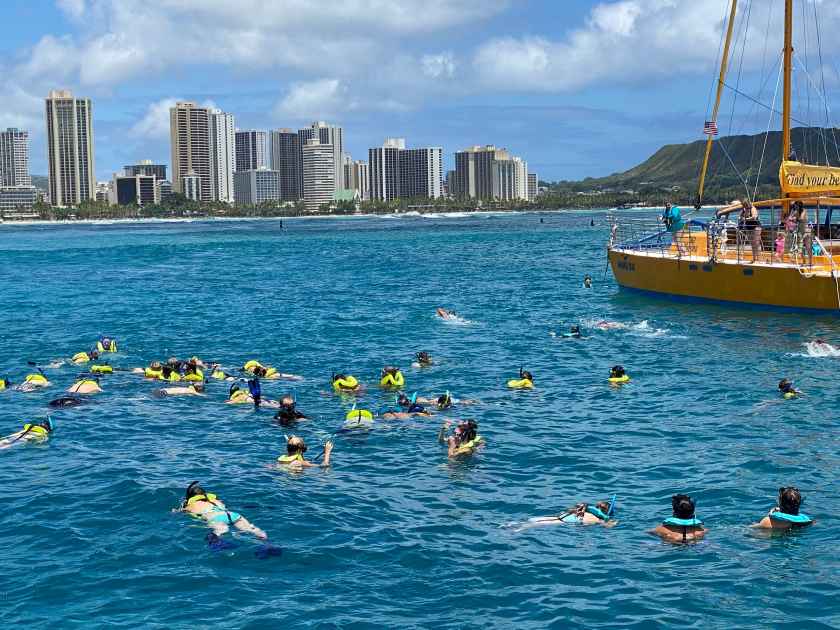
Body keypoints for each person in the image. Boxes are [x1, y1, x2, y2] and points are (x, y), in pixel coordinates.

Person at [179, 481, 267, 540]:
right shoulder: (216, 500)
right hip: (233, 515)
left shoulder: (191, 505)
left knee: (220, 533)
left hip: (216, 518)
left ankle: (219, 545)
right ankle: (267, 544)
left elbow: (179, 512)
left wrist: (176, 510)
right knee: (253, 530)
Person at [526, 497, 618, 527]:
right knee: (528, 526)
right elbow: (608, 525)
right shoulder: (597, 519)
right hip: (560, 522)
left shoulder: (585, 509)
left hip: (558, 517)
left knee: (530, 521)